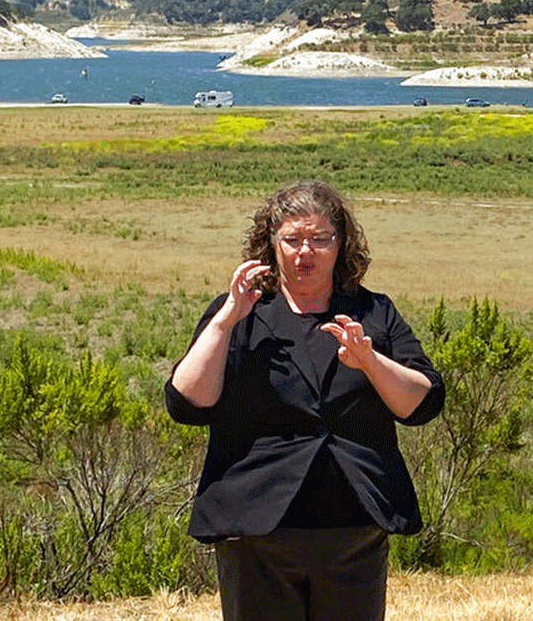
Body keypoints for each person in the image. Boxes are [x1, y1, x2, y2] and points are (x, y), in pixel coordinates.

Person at [166, 180, 444, 621]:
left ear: (341, 244)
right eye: (292, 239)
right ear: (271, 245)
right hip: (255, 531)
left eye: (319, 239)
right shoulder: (240, 313)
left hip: (354, 529)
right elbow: (187, 404)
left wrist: (370, 362)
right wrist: (224, 322)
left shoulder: (373, 313)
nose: (305, 252)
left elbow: (422, 404)